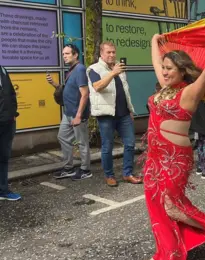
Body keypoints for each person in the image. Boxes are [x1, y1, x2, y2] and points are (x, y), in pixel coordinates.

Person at [140, 34, 205, 260]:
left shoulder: (189, 92)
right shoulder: (164, 87)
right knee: (156, 206)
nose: (164, 72)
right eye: (163, 68)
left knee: (172, 205)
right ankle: (166, 252)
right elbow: (155, 62)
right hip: (154, 157)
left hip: (175, 159)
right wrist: (154, 41)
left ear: (181, 70)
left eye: (169, 68)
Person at [86, 42, 142, 187]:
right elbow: (97, 86)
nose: (111, 55)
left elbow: (125, 91)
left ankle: (127, 173)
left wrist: (130, 110)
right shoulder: (94, 69)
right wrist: (112, 73)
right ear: (101, 53)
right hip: (106, 115)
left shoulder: (119, 67)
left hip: (123, 114)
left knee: (130, 144)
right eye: (108, 52)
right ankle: (109, 175)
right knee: (107, 147)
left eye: (113, 52)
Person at [47, 44, 92, 181]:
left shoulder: (80, 69)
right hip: (68, 113)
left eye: (67, 54)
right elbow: (69, 89)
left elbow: (84, 94)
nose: (64, 56)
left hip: (77, 114)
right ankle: (69, 168)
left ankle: (85, 169)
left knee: (82, 142)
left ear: (75, 55)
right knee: (62, 137)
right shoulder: (71, 70)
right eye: (63, 54)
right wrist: (55, 84)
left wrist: (79, 115)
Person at [0, 65, 21, 201]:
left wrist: (13, 113)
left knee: (3, 157)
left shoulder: (2, 69)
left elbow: (11, 93)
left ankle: (3, 190)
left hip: (7, 121)